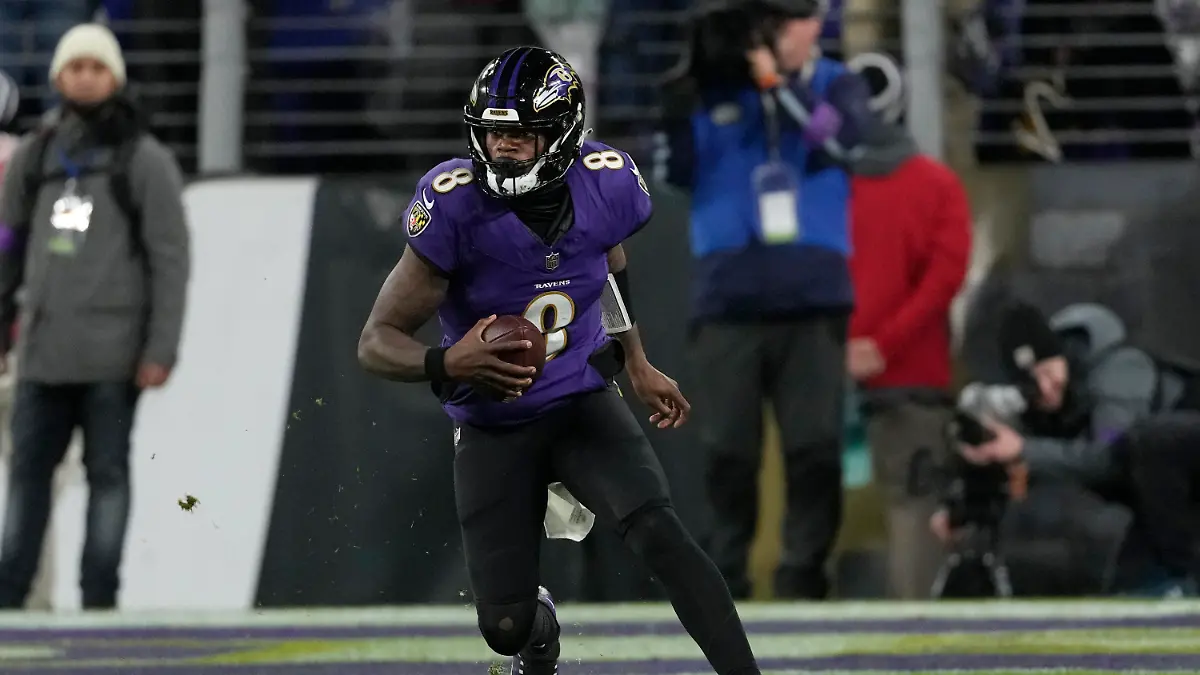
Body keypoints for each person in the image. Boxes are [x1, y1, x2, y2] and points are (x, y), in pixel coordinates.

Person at [358, 47, 762, 675]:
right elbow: (376, 340)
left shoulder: (606, 183)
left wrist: (635, 359)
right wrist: (449, 361)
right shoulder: (454, 206)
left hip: (579, 399)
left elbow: (607, 261)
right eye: (494, 132)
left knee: (663, 536)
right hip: (494, 424)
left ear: (563, 133)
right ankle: (538, 633)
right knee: (505, 626)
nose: (505, 147)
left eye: (522, 133)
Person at [655, 0, 879, 599]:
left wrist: (774, 81)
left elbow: (840, 145)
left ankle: (803, 578)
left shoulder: (839, 83)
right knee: (727, 450)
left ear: (814, 26)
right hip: (728, 298)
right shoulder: (715, 92)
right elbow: (675, 171)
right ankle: (727, 577)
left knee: (815, 447)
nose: (777, 34)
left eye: (788, 21)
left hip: (812, 297)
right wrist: (679, 102)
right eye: (767, 23)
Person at [0, 23, 190, 609]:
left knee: (108, 477)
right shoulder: (35, 152)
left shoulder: (145, 158)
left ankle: (99, 600)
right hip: (42, 350)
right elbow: (8, 247)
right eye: (73, 66)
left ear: (116, 77)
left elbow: (170, 259)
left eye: (96, 66)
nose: (84, 76)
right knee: (27, 478)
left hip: (113, 354)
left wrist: (161, 349)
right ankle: (9, 598)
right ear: (57, 76)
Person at [933, 302, 1199, 597]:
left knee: (1151, 441)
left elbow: (1108, 455)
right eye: (1034, 383)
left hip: (1183, 483)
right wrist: (963, 506)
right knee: (1132, 598)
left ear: (1062, 356)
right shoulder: (1054, 409)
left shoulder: (1119, 370)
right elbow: (1033, 467)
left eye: (1048, 372)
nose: (1046, 388)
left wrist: (1023, 449)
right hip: (1165, 506)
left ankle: (1187, 583)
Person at [846, 52, 971, 599]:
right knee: (913, 505)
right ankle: (919, 630)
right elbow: (945, 277)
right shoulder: (937, 186)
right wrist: (880, 345)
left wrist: (854, 346)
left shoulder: (830, 186)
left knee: (906, 505)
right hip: (906, 375)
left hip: (841, 372)